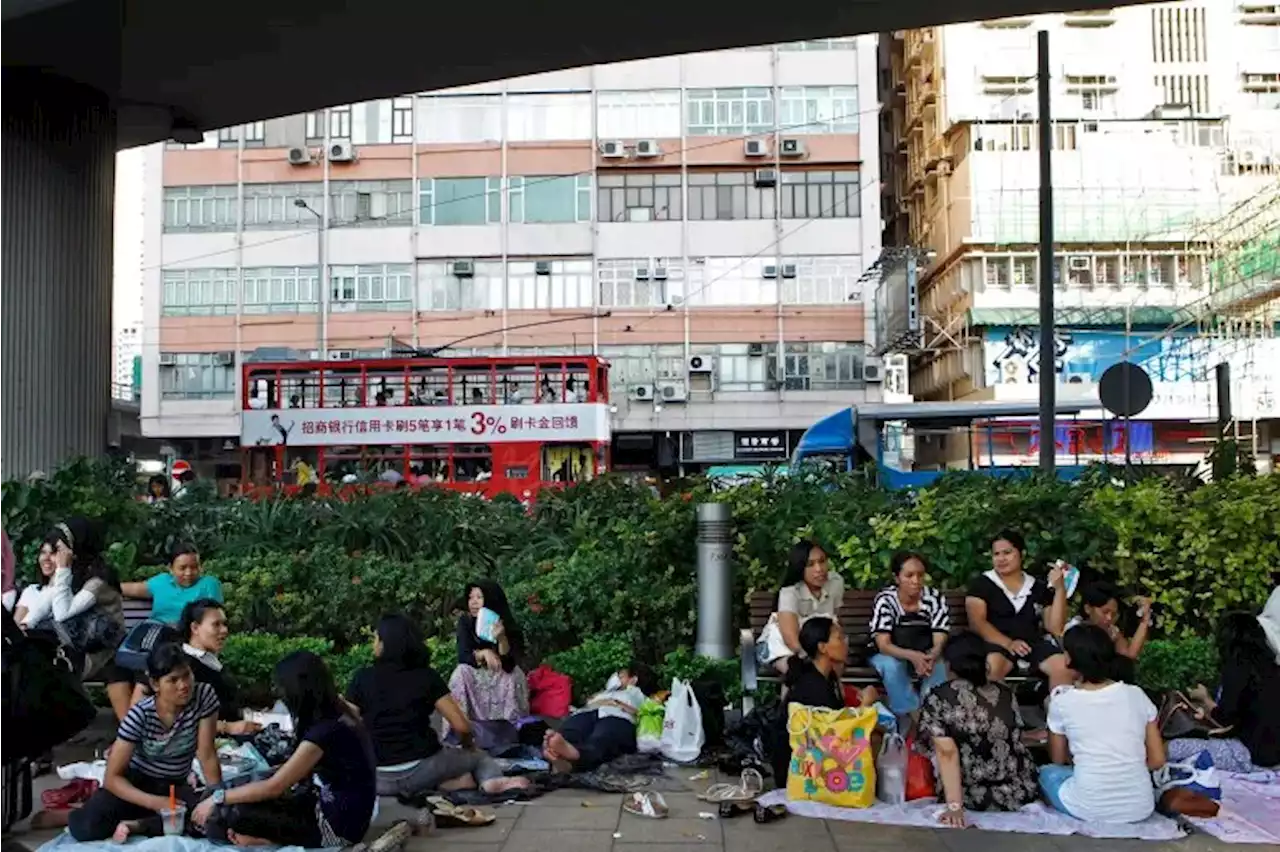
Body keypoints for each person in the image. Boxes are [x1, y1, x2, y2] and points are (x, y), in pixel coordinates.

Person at [193, 651, 377, 848]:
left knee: (234, 813)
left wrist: (218, 798)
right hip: (343, 811)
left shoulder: (324, 732)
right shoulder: (340, 710)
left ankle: (263, 841)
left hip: (336, 827)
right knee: (243, 796)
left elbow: (275, 787)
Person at [346, 614, 530, 797]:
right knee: (479, 757)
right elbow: (461, 726)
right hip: (423, 768)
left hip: (378, 779)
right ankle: (491, 780)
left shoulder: (361, 678)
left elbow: (348, 721)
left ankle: (447, 783)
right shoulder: (426, 677)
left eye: (377, 638)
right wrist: (468, 746)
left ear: (386, 643)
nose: (374, 644)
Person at [69, 643, 222, 841]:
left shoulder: (204, 696)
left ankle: (137, 825)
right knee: (87, 828)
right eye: (173, 680)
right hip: (136, 784)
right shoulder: (140, 715)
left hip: (174, 786)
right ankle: (72, 814)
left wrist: (216, 798)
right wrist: (156, 803)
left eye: (187, 675)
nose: (184, 685)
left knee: (209, 819)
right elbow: (112, 778)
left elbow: (207, 753)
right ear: (155, 684)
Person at [1040, 624, 1164, 824]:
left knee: (1047, 773)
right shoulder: (1137, 695)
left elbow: (1058, 758)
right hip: (1140, 807)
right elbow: (1157, 760)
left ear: (1070, 658)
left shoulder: (1062, 702)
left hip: (1089, 807)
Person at [918, 632, 1040, 827]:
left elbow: (946, 752)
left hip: (971, 795)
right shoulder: (1006, 693)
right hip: (1018, 792)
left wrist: (955, 807)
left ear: (949, 664)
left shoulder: (940, 697)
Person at [770, 617, 878, 786]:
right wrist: (866, 704)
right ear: (823, 647)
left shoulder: (826, 677)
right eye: (839, 638)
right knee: (871, 736)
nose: (845, 643)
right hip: (799, 770)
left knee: (878, 731)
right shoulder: (812, 685)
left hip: (815, 755)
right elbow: (837, 734)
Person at [129, 600, 259, 736]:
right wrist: (227, 727)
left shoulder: (210, 662)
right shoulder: (177, 663)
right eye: (216, 625)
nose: (224, 630)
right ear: (195, 628)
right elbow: (170, 718)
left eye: (224, 624)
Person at [964, 530, 1071, 689]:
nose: (1001, 559)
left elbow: (1054, 627)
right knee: (993, 666)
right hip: (997, 644)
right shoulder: (982, 584)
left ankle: (1058, 711)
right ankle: (997, 711)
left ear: (1022, 554)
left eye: (1007, 553)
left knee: (1063, 667)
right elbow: (977, 623)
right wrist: (1009, 644)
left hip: (1032, 644)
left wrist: (1060, 589)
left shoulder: (1038, 587)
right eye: (996, 554)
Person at [1175, 612, 1280, 772]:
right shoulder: (1272, 668)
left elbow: (1225, 718)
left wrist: (1205, 699)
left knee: (1171, 748)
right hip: (1272, 753)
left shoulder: (1237, 669)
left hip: (1253, 756)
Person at [21, 518, 125, 679]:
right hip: (74, 643)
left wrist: (62, 569)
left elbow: (62, 614)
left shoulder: (98, 582)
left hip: (98, 651)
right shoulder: (74, 572)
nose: (56, 557)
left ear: (75, 547)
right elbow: (47, 600)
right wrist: (26, 624)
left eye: (58, 550)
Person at [869, 551, 950, 719]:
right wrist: (913, 656)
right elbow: (883, 645)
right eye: (909, 575)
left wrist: (932, 655)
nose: (916, 581)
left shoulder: (934, 598)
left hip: (924, 651)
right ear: (897, 578)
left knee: (938, 666)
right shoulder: (886, 600)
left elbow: (939, 637)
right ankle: (911, 716)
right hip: (890, 653)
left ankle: (933, 716)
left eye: (920, 575)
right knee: (892, 666)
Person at [543, 663, 656, 773]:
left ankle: (576, 756)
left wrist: (616, 703)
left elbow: (644, 713)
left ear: (633, 679)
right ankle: (562, 757)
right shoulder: (605, 692)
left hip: (618, 716)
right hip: (588, 713)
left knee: (602, 738)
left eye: (621, 675)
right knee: (572, 729)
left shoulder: (639, 694)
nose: (616, 677)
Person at [450, 581, 529, 726]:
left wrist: (501, 638)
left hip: (501, 673)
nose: (473, 602)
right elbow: (463, 656)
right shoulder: (466, 622)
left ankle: (510, 728)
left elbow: (509, 664)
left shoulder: (507, 624)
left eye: (479, 597)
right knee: (460, 673)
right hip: (477, 674)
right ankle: (462, 729)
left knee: (512, 677)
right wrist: (483, 653)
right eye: (470, 597)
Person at [771, 540, 845, 674]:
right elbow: (790, 639)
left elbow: (835, 620)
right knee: (797, 670)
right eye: (810, 564)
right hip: (786, 647)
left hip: (821, 646)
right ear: (800, 568)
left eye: (822, 561)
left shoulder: (836, 582)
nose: (819, 569)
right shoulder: (790, 592)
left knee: (834, 666)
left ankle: (833, 694)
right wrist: (811, 661)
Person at [120, 543, 223, 626]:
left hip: (189, 638)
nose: (189, 573)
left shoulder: (209, 584)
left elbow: (214, 620)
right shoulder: (161, 582)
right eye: (182, 568)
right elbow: (130, 588)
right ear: (171, 568)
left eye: (194, 567)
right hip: (157, 634)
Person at [1066, 581, 1151, 661]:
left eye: (1113, 614)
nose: (1109, 618)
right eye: (1105, 612)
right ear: (1087, 608)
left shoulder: (1111, 631)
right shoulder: (1074, 630)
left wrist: (1145, 620)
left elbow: (1128, 655)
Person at [10, 541, 55, 627]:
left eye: (52, 553)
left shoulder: (65, 592)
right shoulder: (31, 590)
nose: (46, 558)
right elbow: (16, 625)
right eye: (43, 552)